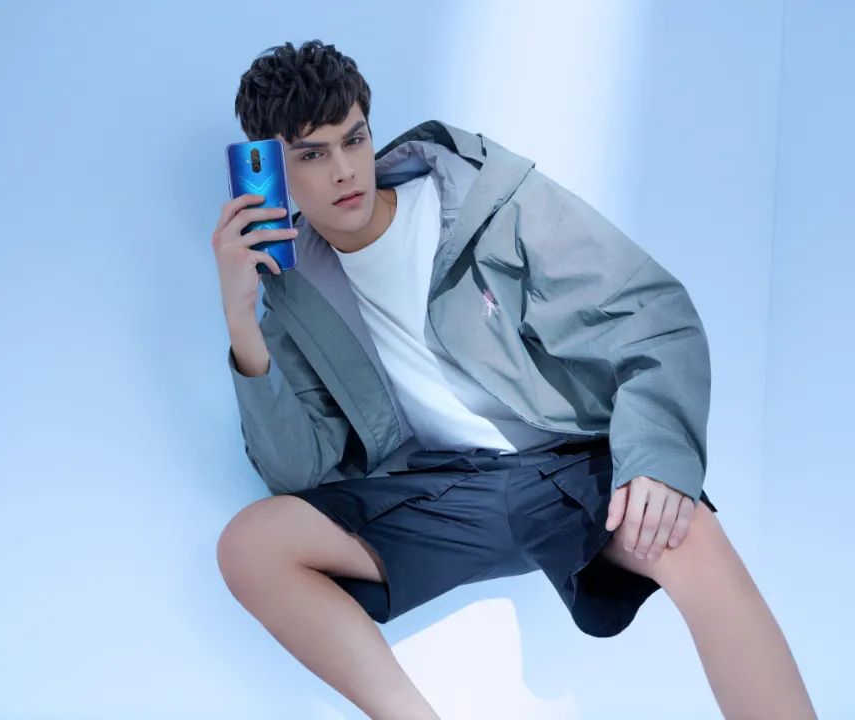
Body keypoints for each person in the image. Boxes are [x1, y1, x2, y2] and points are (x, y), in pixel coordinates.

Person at [212, 39, 816, 720]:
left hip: (566, 464)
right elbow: (299, 471)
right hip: (450, 492)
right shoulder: (294, 287)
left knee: (689, 532)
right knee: (250, 545)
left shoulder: (483, 200)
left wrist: (657, 457)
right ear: (269, 166)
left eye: (354, 139)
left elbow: (650, 312)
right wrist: (242, 319)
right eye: (311, 155)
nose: (345, 170)